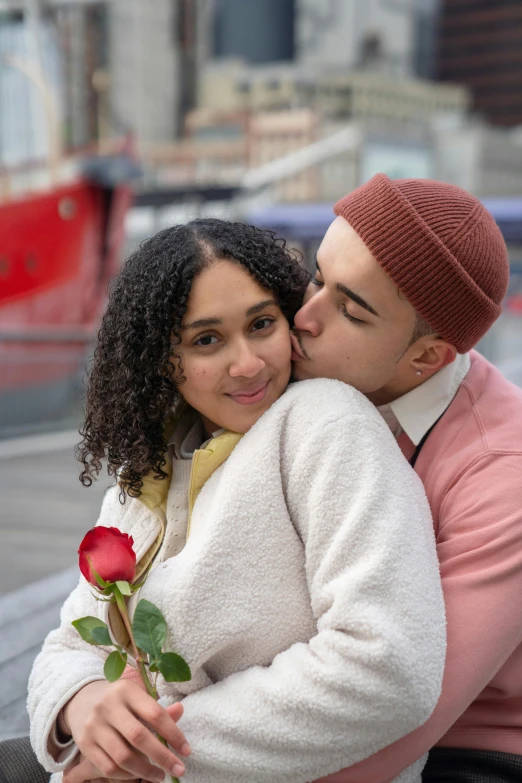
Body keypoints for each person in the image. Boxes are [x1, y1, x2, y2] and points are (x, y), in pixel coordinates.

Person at [28, 219, 445, 783]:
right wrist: (83, 703)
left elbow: (390, 666)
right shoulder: (147, 471)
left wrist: (150, 756)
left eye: (262, 324)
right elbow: (67, 643)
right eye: (207, 340)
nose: (248, 363)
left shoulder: (327, 423)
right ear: (160, 359)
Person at [289, 174, 522, 783]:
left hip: (475, 745)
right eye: (317, 276)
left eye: (349, 309)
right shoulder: (313, 379)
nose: (302, 318)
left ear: (426, 358)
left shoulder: (503, 473)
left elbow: (401, 716)